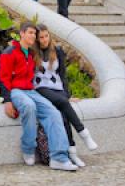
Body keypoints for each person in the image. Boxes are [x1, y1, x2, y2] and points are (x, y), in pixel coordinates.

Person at [0, 22, 78, 172]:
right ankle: (28, 148)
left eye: (34, 34)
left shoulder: (33, 53)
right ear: (22, 33)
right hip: (16, 90)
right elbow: (3, 78)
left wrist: (66, 95)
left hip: (31, 91)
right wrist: (8, 100)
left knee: (54, 113)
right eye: (30, 33)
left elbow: (51, 65)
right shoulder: (9, 52)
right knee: (29, 106)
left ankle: (59, 158)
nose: (33, 36)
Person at [33, 24, 98, 167]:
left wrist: (67, 95)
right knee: (63, 103)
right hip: (41, 88)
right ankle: (84, 134)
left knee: (64, 116)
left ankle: (72, 153)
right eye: (41, 38)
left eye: (46, 36)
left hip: (57, 89)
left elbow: (62, 75)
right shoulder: (33, 53)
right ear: (37, 40)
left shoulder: (57, 50)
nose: (44, 40)